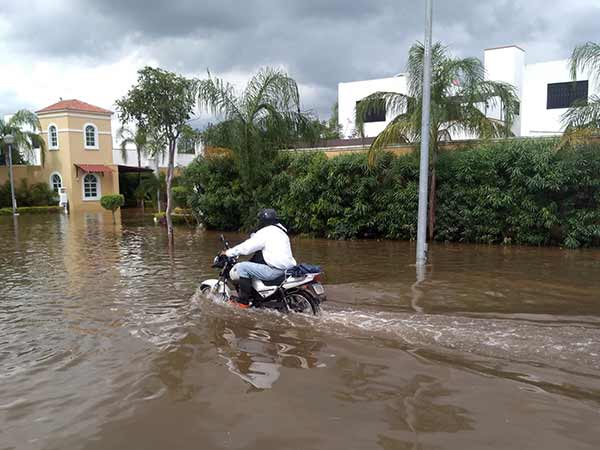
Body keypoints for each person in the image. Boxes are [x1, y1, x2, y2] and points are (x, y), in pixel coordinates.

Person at [224, 208, 296, 306]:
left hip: (275, 271)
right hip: (288, 269)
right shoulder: (281, 232)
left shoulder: (265, 232)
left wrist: (228, 253)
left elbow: (246, 248)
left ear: (262, 220)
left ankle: (243, 302)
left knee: (243, 267)